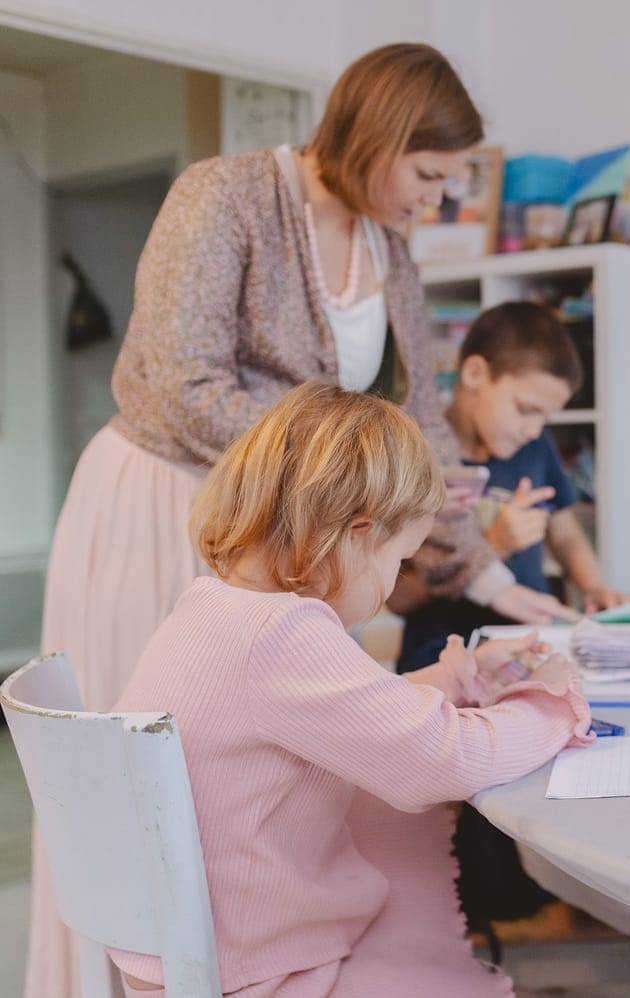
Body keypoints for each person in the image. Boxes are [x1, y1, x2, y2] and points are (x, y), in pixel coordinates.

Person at [31, 43, 570, 998]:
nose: (437, 200)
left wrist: (484, 574)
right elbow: (185, 384)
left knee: (241, 775)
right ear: (381, 136)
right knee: (157, 799)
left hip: (292, 514)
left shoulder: (389, 251)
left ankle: (186, 961)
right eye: (430, 175)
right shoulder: (224, 195)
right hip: (178, 487)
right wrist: (552, 703)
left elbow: (422, 427)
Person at [107, 384, 592, 996]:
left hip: (197, 949)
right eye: (400, 561)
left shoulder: (217, 607)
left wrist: (453, 679)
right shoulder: (284, 631)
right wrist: (551, 704)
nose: (391, 587)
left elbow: (342, 714)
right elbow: (447, 759)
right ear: (356, 535)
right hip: (256, 965)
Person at [390, 301, 628, 673]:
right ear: (474, 374)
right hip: (439, 660)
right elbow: (398, 598)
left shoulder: (535, 447)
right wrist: (494, 546)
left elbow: (565, 533)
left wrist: (594, 587)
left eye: (545, 417)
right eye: (526, 409)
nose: (534, 430)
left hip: (531, 650)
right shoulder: (418, 455)